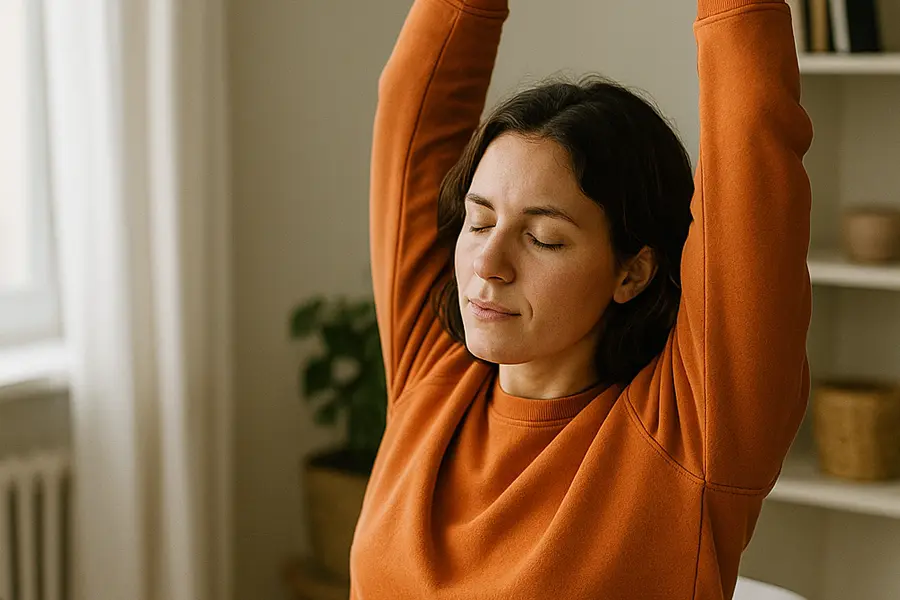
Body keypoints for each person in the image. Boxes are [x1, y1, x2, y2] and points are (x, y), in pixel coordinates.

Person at [355, 0, 813, 597]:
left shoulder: (689, 436)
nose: (488, 266)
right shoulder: (436, 376)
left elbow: (753, 137)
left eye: (543, 239)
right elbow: (411, 107)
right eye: (478, 221)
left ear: (633, 273)